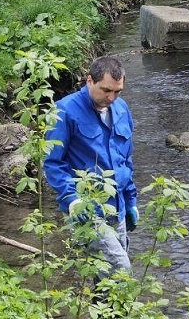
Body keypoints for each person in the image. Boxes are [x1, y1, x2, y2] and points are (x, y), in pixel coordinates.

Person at [44, 56, 139, 282]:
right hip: (86, 208)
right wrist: (72, 199)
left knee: (106, 276)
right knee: (121, 268)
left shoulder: (122, 109)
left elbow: (125, 160)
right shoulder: (64, 112)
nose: (111, 97)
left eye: (118, 91)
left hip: (118, 206)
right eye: (106, 90)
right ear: (89, 81)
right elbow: (52, 162)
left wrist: (131, 200)